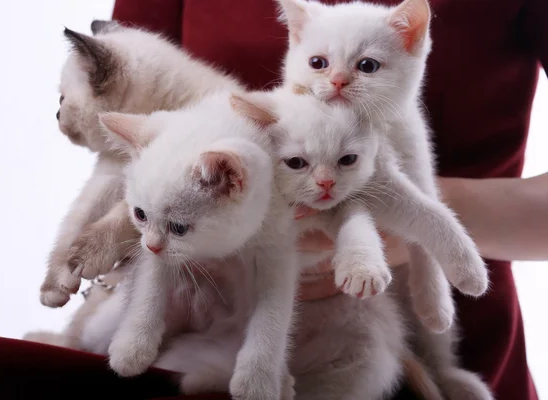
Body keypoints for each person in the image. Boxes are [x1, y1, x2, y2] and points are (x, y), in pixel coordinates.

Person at [110, 0, 548, 399]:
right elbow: (125, 131)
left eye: (366, 66)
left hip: (447, 341)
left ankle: (437, 365)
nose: (336, 81)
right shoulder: (276, 105)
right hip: (201, 309)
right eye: (319, 63)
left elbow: (389, 201)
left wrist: (411, 222)